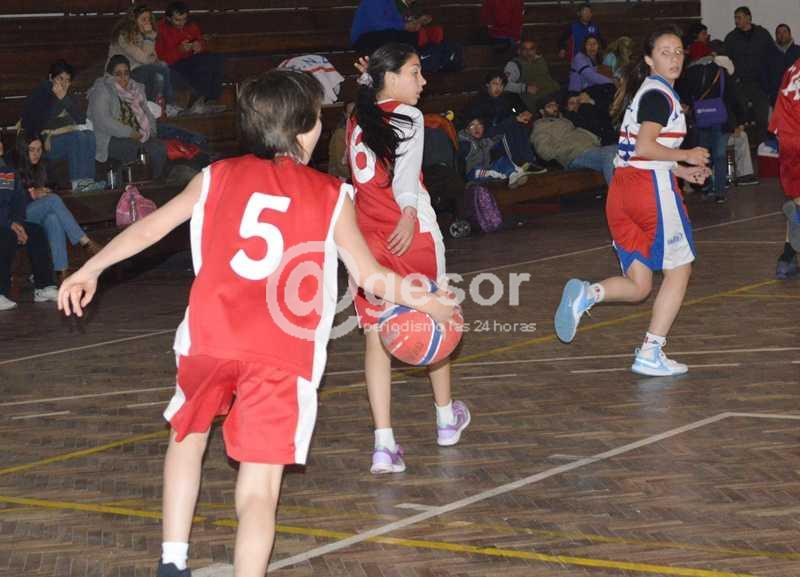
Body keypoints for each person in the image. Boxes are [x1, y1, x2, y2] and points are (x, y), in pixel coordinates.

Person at [58, 69, 455, 577]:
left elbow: (151, 228)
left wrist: (90, 268)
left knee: (187, 439)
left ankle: (173, 561)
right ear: (303, 129)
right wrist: (427, 300)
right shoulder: (331, 195)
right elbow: (371, 277)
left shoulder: (215, 176)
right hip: (282, 353)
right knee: (259, 490)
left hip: (210, 338)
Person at [554, 26, 711, 376]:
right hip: (647, 191)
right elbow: (646, 147)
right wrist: (687, 155)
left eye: (679, 52)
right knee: (679, 270)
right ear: (649, 59)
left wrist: (682, 172)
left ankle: (588, 294)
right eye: (665, 52)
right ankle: (650, 352)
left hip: (621, 190)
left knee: (640, 286)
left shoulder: (647, 93)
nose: (674, 58)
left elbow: (639, 153)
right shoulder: (659, 95)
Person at [347, 44, 471, 474]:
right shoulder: (409, 116)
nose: (423, 81)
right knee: (436, 315)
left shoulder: (356, 117)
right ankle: (445, 420)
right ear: (391, 78)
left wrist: (369, 79)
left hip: (367, 241)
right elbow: (404, 177)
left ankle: (383, 444)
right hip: (408, 235)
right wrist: (408, 212)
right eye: (415, 72)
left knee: (374, 337)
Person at [18, 136, 102, 282]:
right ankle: (86, 243)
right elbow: (10, 198)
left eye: (39, 150)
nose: (36, 154)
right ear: (24, 151)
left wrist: (45, 190)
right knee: (53, 200)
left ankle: (62, 273)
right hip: (18, 213)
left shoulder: (41, 166)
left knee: (53, 218)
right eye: (32, 150)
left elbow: (55, 185)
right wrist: (31, 194)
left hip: (38, 213)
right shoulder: (14, 167)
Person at [20, 60, 106, 193]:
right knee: (76, 137)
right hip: (45, 142)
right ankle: (78, 184)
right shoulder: (41, 92)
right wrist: (59, 98)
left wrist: (64, 98)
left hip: (64, 139)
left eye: (67, 80)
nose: (64, 84)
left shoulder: (67, 95)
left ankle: (88, 181)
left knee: (89, 136)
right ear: (51, 78)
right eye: (60, 79)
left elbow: (81, 119)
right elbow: (39, 122)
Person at [88, 55, 168, 180]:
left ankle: (156, 183)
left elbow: (147, 112)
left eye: (126, 73)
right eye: (118, 74)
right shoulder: (102, 89)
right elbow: (103, 121)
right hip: (110, 138)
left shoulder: (136, 89)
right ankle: (150, 184)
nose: (123, 78)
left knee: (160, 147)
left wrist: (151, 131)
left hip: (138, 133)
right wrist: (130, 133)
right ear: (110, 75)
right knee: (148, 151)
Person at [0, 141, 58, 311]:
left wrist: (18, 223)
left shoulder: (8, 172)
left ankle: (44, 287)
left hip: (10, 222)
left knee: (36, 231)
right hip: (4, 224)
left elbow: (18, 202)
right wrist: (9, 224)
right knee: (5, 235)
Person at [460, 71, 546, 173]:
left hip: (499, 129)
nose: (498, 88)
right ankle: (519, 164)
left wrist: (523, 114)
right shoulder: (478, 103)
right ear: (487, 85)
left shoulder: (504, 99)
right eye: (495, 84)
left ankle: (529, 161)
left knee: (520, 124)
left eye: (501, 85)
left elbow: (512, 113)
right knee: (507, 131)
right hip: (484, 134)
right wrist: (513, 120)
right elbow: (484, 129)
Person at [109, 4, 180, 116]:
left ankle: (151, 109)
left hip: (141, 69)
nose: (148, 23)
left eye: (149, 19)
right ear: (134, 21)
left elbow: (153, 58)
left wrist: (148, 40)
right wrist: (149, 38)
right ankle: (170, 104)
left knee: (159, 77)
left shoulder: (144, 34)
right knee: (162, 66)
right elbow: (145, 59)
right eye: (143, 19)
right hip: (123, 73)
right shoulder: (124, 36)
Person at [155, 1, 225, 113]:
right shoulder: (160, 29)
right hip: (173, 65)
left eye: (184, 19)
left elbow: (200, 41)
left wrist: (199, 46)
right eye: (177, 20)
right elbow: (160, 58)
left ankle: (211, 100)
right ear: (168, 18)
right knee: (203, 64)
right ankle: (198, 102)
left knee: (216, 58)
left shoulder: (191, 25)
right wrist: (179, 50)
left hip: (189, 60)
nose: (181, 23)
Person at [532, 95, 616, 185]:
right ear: (542, 111)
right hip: (574, 155)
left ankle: (624, 190)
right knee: (609, 154)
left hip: (592, 148)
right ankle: (617, 193)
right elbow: (544, 151)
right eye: (550, 106)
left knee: (620, 150)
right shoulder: (540, 127)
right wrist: (566, 150)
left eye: (555, 105)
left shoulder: (565, 120)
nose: (555, 108)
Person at [769, 57, 800, 279]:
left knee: (798, 197)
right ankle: (797, 214)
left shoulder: (793, 67)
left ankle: (786, 260)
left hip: (787, 138)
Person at [723, 6, 773, 145]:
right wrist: (733, 80)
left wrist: (769, 82)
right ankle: (745, 148)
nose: (736, 21)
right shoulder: (731, 38)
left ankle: (762, 147)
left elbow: (771, 57)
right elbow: (726, 62)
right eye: (735, 18)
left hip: (759, 84)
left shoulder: (762, 34)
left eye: (739, 17)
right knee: (741, 118)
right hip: (739, 84)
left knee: (762, 118)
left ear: (748, 18)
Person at [458, 115, 529, 188]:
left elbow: (498, 130)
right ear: (467, 130)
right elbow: (459, 164)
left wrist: (514, 120)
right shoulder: (465, 144)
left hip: (487, 170)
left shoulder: (485, 141)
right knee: (479, 171)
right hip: (472, 174)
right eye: (472, 125)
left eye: (480, 125)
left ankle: (513, 175)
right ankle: (501, 175)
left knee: (502, 160)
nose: (476, 128)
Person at [503, 36, 561, 113]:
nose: (528, 52)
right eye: (524, 49)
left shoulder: (541, 60)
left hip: (555, 93)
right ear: (519, 51)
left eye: (531, 49)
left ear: (535, 50)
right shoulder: (514, 65)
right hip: (539, 101)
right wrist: (525, 88)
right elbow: (505, 85)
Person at [350, 0, 429, 55]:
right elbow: (377, 24)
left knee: (410, 34)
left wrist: (415, 22)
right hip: (363, 40)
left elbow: (398, 21)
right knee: (391, 35)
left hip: (381, 37)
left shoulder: (390, 1)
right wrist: (404, 26)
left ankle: (409, 64)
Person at [769, 23, 800, 104]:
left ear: (790, 34)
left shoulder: (798, 51)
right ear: (776, 36)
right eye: (779, 33)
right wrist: (769, 93)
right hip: (776, 96)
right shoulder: (769, 53)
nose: (782, 35)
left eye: (784, 32)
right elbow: (764, 74)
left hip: (796, 95)